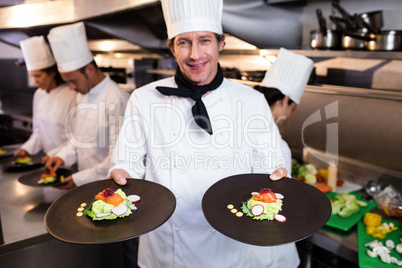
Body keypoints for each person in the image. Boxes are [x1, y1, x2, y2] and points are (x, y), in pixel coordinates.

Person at [108, 0, 298, 267]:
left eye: (205, 41)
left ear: (221, 43)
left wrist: (276, 178)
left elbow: (267, 169)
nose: (195, 55)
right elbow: (127, 162)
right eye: (184, 42)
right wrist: (121, 174)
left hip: (230, 244)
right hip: (168, 247)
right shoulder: (143, 99)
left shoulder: (251, 101)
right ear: (172, 47)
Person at [44, 22, 129, 190]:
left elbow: (117, 157)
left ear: (90, 70)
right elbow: (77, 139)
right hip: (85, 184)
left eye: (73, 81)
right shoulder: (82, 94)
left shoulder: (117, 99)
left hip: (108, 186)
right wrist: (62, 157)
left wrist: (80, 179)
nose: (71, 87)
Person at [14, 36, 76, 164]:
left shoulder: (72, 95)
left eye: (38, 76)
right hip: (49, 160)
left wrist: (58, 155)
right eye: (32, 76)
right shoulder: (38, 94)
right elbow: (38, 131)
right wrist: (26, 148)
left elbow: (77, 136)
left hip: (69, 160)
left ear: (52, 73)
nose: (35, 81)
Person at [254, 48, 314, 176]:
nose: (289, 115)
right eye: (292, 109)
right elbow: (281, 192)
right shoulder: (279, 148)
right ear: (285, 100)